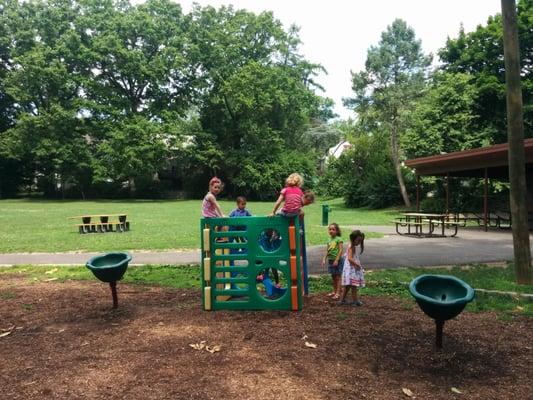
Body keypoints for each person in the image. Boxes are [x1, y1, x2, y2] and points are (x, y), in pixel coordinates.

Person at [339, 230, 365, 306]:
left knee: (348, 286)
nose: (359, 242)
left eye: (360, 241)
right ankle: (355, 301)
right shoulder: (351, 247)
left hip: (350, 269)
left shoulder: (352, 246)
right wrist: (356, 264)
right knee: (354, 285)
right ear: (353, 239)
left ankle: (342, 300)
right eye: (358, 240)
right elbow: (350, 258)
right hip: (351, 269)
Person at [321, 223, 343, 300]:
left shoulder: (339, 239)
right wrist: (324, 259)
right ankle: (335, 291)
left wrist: (337, 260)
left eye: (333, 229)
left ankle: (338, 293)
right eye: (330, 229)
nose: (331, 231)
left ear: (337, 231)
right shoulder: (329, 240)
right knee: (333, 276)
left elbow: (340, 250)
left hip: (337, 260)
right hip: (331, 260)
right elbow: (328, 250)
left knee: (338, 277)